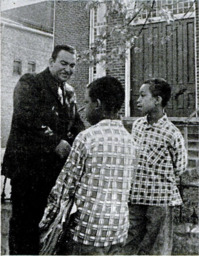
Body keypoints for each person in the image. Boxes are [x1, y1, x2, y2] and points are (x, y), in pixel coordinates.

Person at [2, 44, 85, 255]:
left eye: (72, 65)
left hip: (54, 172)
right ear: (51, 62)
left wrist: (87, 139)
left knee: (49, 224)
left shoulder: (69, 92)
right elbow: (26, 118)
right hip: (28, 171)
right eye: (63, 63)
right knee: (25, 225)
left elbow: (76, 125)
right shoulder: (30, 83)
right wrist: (55, 142)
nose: (68, 69)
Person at [39, 76, 136, 255]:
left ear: (97, 104)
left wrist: (45, 223)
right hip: (118, 231)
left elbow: (63, 188)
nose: (83, 110)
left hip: (86, 233)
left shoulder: (86, 138)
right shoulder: (130, 141)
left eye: (87, 102)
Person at [123, 78, 187, 255]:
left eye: (143, 96)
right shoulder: (137, 126)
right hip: (136, 196)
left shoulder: (171, 132)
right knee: (129, 241)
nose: (138, 100)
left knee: (158, 246)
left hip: (160, 200)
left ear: (157, 100)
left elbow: (180, 166)